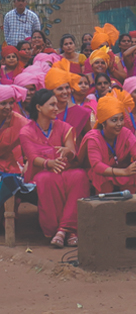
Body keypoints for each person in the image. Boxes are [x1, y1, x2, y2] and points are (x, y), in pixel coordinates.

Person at [19, 89, 89, 248]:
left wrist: (68, 153)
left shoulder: (64, 127)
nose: (57, 108)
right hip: (40, 173)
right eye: (52, 105)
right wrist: (48, 164)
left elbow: (72, 151)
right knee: (48, 178)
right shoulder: (26, 131)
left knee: (80, 176)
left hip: (64, 170)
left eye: (57, 105)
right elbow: (32, 158)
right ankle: (66, 231)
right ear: (38, 107)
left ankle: (63, 230)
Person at [80, 91, 136, 194]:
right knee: (101, 177)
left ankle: (129, 208)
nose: (119, 124)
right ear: (103, 122)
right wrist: (124, 172)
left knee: (133, 175)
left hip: (121, 171)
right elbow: (97, 166)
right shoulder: (93, 138)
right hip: (102, 174)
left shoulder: (126, 133)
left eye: (121, 119)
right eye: (114, 120)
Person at [45, 60, 92, 144]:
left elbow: (89, 139)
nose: (65, 92)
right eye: (60, 89)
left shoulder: (81, 113)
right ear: (51, 91)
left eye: (67, 88)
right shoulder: (44, 113)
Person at [0, 85, 30, 174]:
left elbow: (32, 145)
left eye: (11, 102)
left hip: (9, 167)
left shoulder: (20, 121)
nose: (8, 107)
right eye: (3, 103)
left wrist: (28, 162)